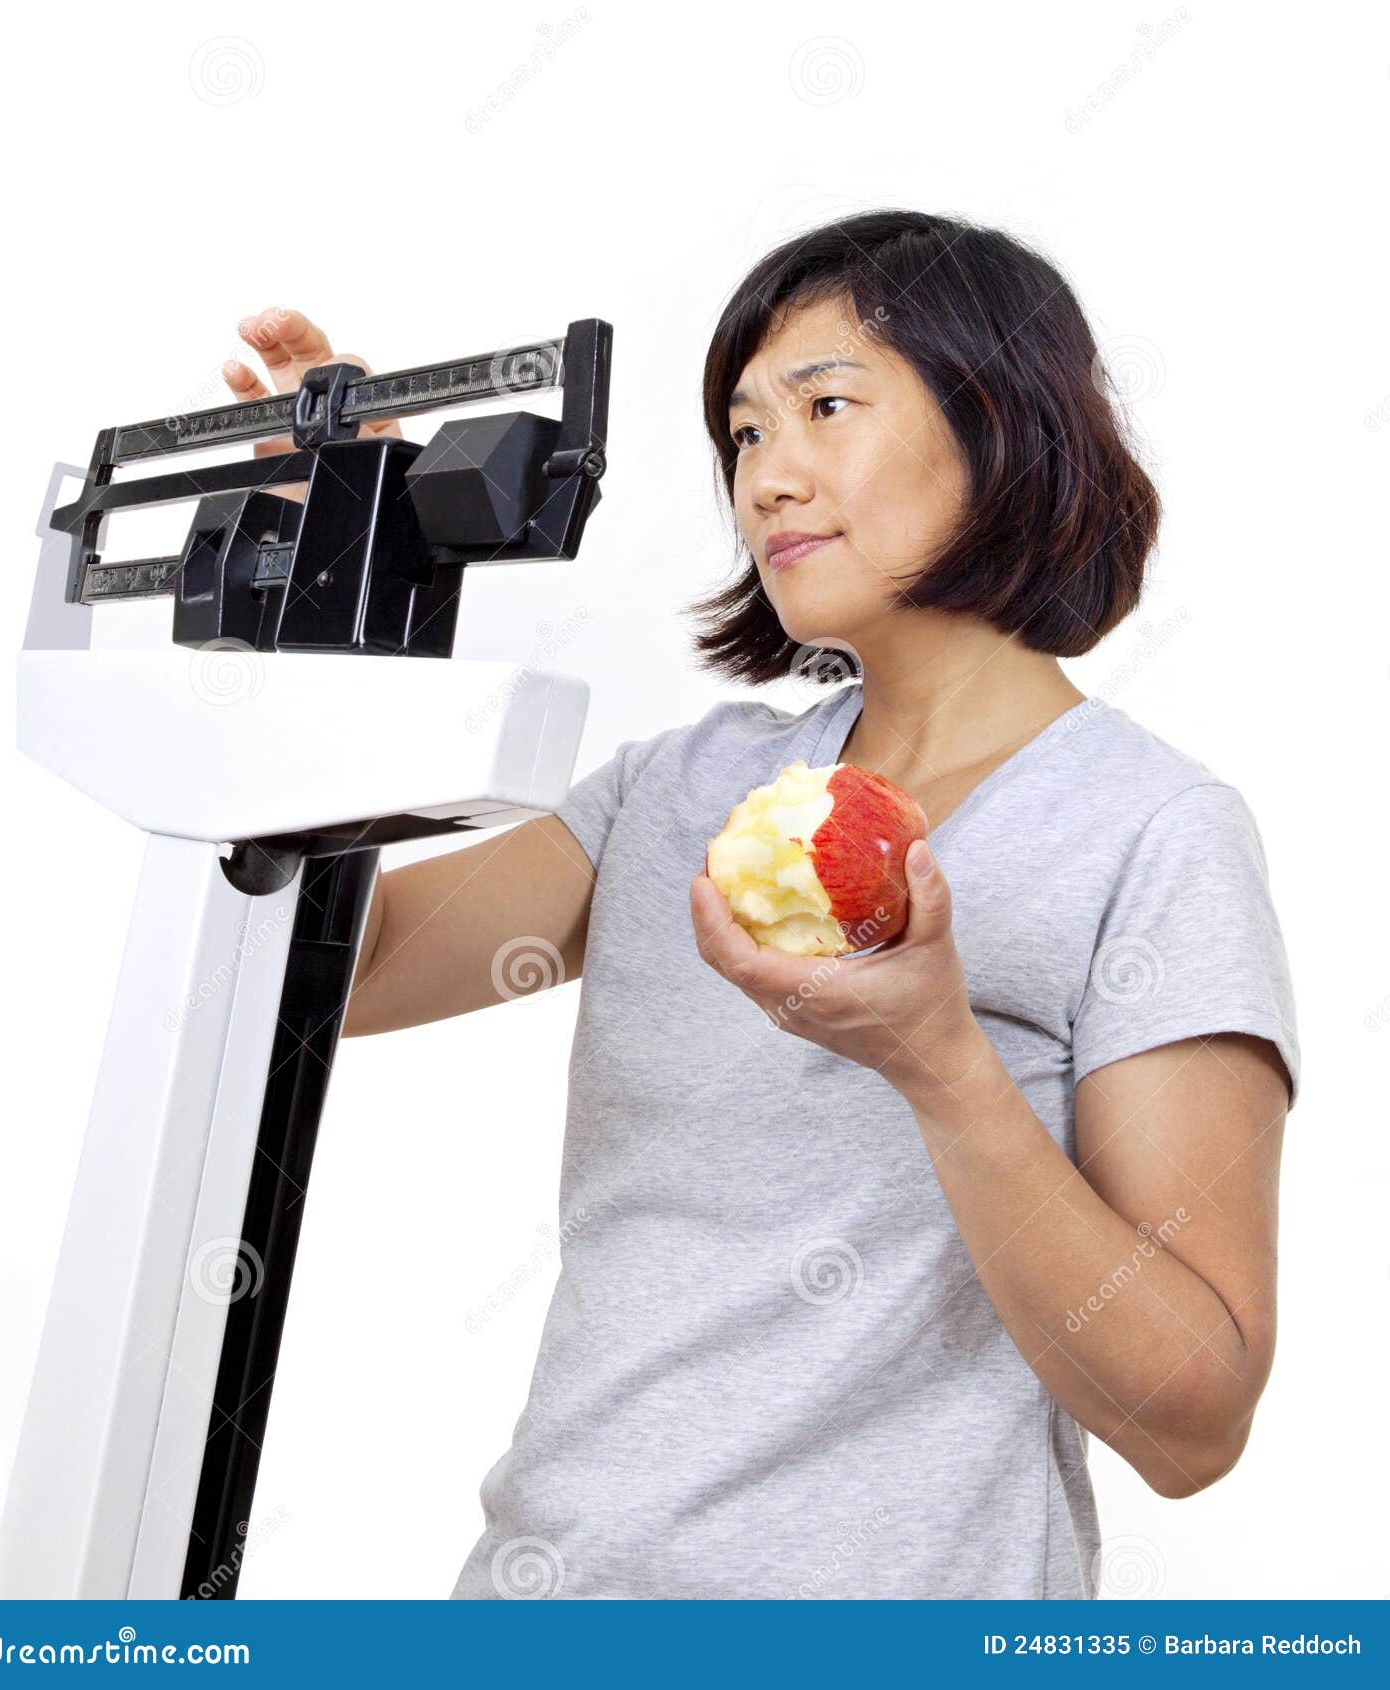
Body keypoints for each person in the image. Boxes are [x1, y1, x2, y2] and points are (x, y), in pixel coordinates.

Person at [228, 208, 1299, 1600]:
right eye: (742, 434)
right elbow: (317, 971)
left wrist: (943, 1063)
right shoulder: (682, 792)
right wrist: (340, 604)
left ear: (1002, 423)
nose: (768, 479)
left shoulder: (1152, 831)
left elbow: (1192, 1417)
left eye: (826, 406)